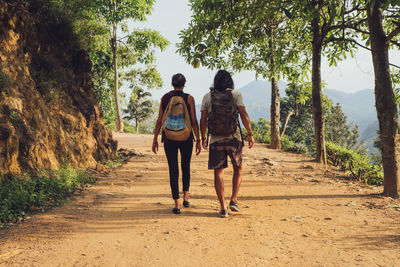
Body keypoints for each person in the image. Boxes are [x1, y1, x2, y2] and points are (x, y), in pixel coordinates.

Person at [200, 70, 254, 218]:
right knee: (238, 168)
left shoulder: (207, 97)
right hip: (233, 139)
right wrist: (250, 134)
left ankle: (223, 207)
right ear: (230, 81)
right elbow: (243, 115)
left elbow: (203, 119)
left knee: (219, 172)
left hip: (216, 140)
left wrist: (203, 137)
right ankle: (233, 200)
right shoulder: (236, 95)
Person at [152, 73, 201, 215]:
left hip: (169, 138)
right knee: (186, 166)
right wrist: (198, 139)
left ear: (172, 84)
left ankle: (177, 204)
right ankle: (186, 197)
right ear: (184, 84)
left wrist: (155, 139)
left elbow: (159, 120)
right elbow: (193, 121)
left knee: (173, 170)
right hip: (186, 137)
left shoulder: (165, 97)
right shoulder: (189, 98)